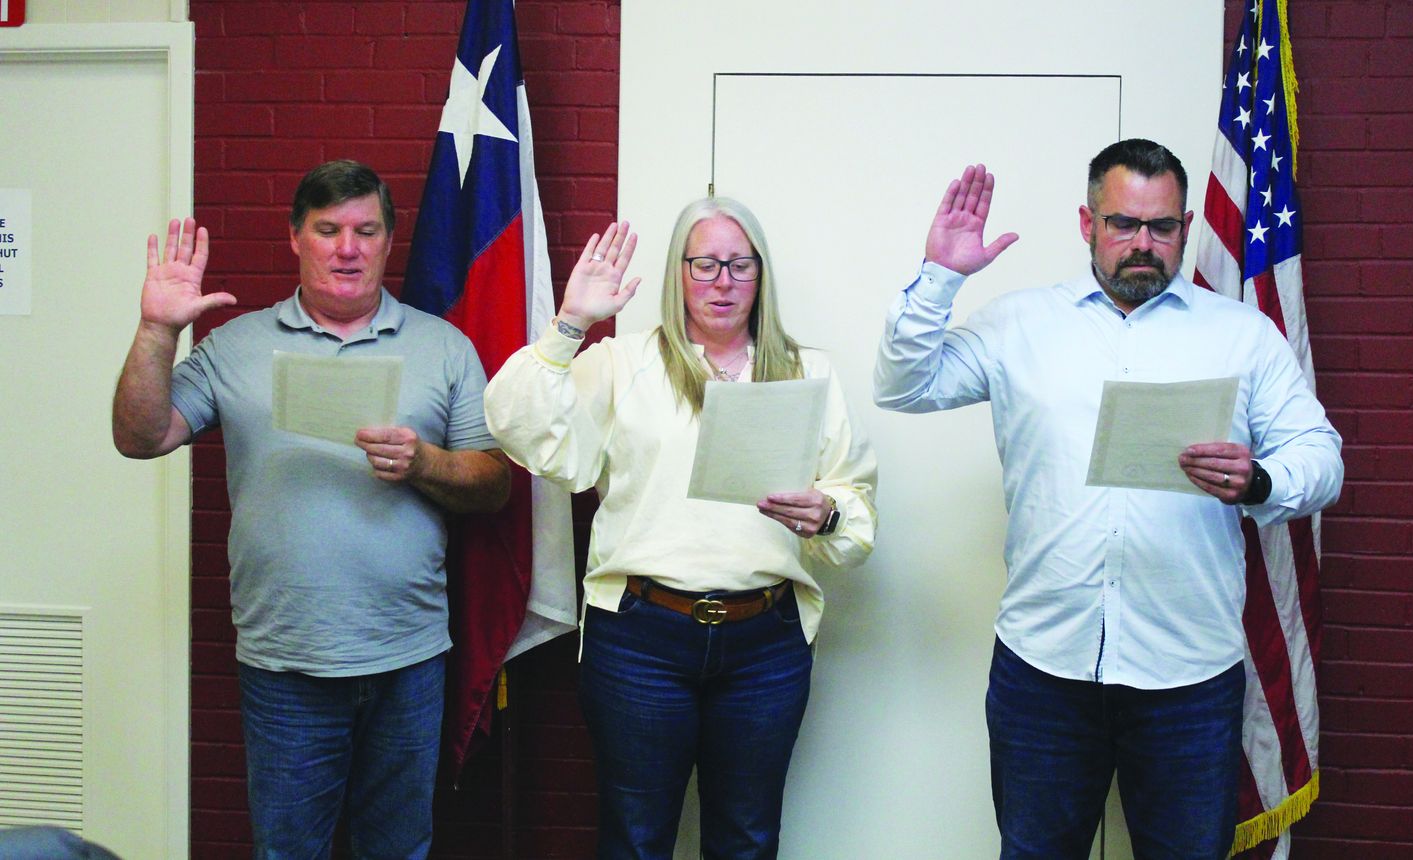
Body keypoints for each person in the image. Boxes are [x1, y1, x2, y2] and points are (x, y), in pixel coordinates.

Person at [873, 139, 1343, 860]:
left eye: (1161, 227)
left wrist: (1260, 481)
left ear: (1186, 229)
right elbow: (904, 385)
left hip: (1187, 676)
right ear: (1087, 224)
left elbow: (1322, 457)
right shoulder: (1019, 324)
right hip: (1044, 672)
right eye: (1123, 223)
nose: (1143, 245)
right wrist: (940, 275)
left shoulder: (1241, 337)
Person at [111, 160, 511, 859]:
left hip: (408, 659)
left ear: (389, 241)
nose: (347, 248)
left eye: (366, 230)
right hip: (285, 663)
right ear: (296, 237)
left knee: (398, 850)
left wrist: (426, 463)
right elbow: (140, 437)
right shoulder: (235, 346)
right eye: (327, 230)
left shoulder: (443, 347)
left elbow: (495, 483)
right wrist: (155, 330)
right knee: (288, 850)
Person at [484, 198, 876, 859]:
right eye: (704, 265)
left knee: (747, 840)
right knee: (636, 841)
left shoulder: (808, 373)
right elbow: (523, 429)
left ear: (761, 275)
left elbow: (853, 502)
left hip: (765, 645)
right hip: (640, 640)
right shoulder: (621, 363)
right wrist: (569, 324)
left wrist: (828, 513)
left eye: (739, 264)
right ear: (677, 274)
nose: (722, 281)